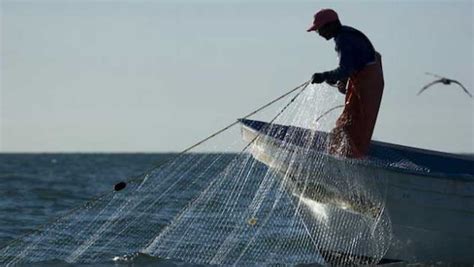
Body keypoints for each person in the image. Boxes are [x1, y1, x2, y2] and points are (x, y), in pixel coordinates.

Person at [307, 9, 384, 158]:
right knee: (349, 121)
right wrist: (343, 79)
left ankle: (350, 158)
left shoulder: (343, 40)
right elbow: (353, 64)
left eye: (319, 29)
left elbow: (346, 68)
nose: (319, 33)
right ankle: (345, 154)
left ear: (330, 25)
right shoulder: (346, 35)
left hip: (369, 84)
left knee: (356, 125)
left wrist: (324, 76)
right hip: (365, 79)